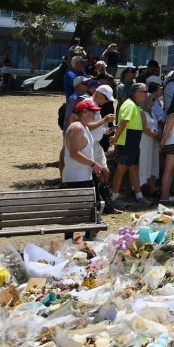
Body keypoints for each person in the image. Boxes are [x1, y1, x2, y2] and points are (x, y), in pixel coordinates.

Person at [60, 96, 110, 240]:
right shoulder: (76, 127)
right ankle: (71, 240)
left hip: (83, 175)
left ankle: (87, 239)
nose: (95, 114)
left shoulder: (83, 127)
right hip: (76, 177)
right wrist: (93, 164)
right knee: (77, 211)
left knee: (89, 211)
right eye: (92, 111)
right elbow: (74, 153)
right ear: (84, 112)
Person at [110, 82, 147, 204]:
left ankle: (139, 195)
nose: (146, 95)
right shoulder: (129, 105)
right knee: (122, 168)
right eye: (144, 92)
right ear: (136, 93)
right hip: (126, 142)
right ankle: (114, 196)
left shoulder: (134, 105)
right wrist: (115, 138)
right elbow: (122, 123)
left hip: (133, 143)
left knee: (134, 168)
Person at [138, 81, 164, 191]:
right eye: (152, 99)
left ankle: (151, 187)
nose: (154, 102)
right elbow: (144, 129)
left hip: (153, 142)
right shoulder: (141, 113)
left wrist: (158, 134)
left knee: (153, 163)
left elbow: (156, 125)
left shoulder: (152, 113)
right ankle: (139, 187)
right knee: (143, 163)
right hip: (144, 142)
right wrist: (154, 134)